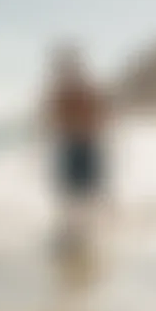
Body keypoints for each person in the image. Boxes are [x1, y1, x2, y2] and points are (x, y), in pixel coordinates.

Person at [44, 43, 107, 253]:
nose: (65, 69)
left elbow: (99, 114)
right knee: (72, 192)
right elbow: (52, 119)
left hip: (84, 143)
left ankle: (83, 235)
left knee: (85, 191)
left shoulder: (82, 89)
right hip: (73, 144)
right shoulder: (63, 92)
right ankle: (76, 234)